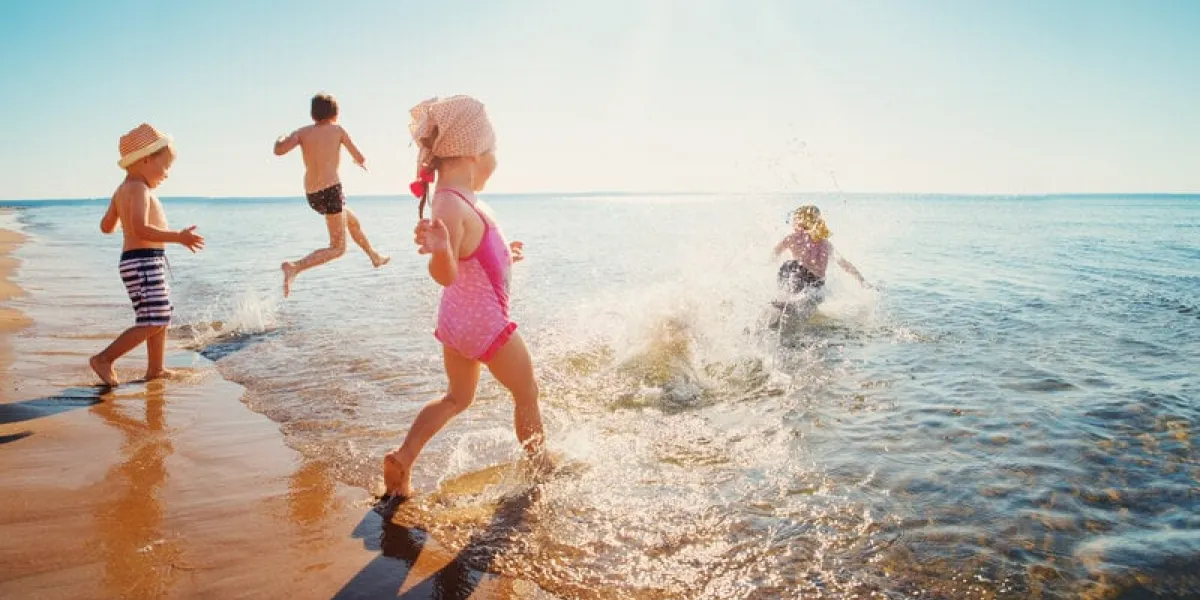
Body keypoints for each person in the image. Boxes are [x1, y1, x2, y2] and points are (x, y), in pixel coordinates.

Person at [380, 96, 545, 510]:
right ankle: (542, 468)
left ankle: (404, 458)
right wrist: (439, 250)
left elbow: (474, 251)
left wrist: (507, 252)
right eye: (494, 152)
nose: (496, 161)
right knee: (527, 393)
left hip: (456, 323)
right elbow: (446, 272)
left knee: (457, 398)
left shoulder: (460, 198)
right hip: (484, 323)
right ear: (475, 153)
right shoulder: (450, 203)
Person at [90, 123, 205, 386]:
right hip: (142, 262)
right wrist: (179, 237)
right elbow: (141, 227)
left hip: (143, 261)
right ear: (145, 160)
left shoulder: (123, 190)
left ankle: (156, 369)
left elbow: (106, 227)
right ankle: (104, 359)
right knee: (155, 318)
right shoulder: (139, 189)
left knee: (158, 315)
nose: (166, 174)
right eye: (165, 167)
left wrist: (121, 216)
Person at [274, 93, 389, 297]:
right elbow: (360, 157)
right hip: (331, 191)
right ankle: (295, 267)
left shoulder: (302, 132)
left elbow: (279, 150)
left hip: (312, 196)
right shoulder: (338, 130)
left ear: (313, 114)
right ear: (335, 113)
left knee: (352, 221)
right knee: (338, 248)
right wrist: (358, 163)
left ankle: (374, 256)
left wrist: (281, 137)